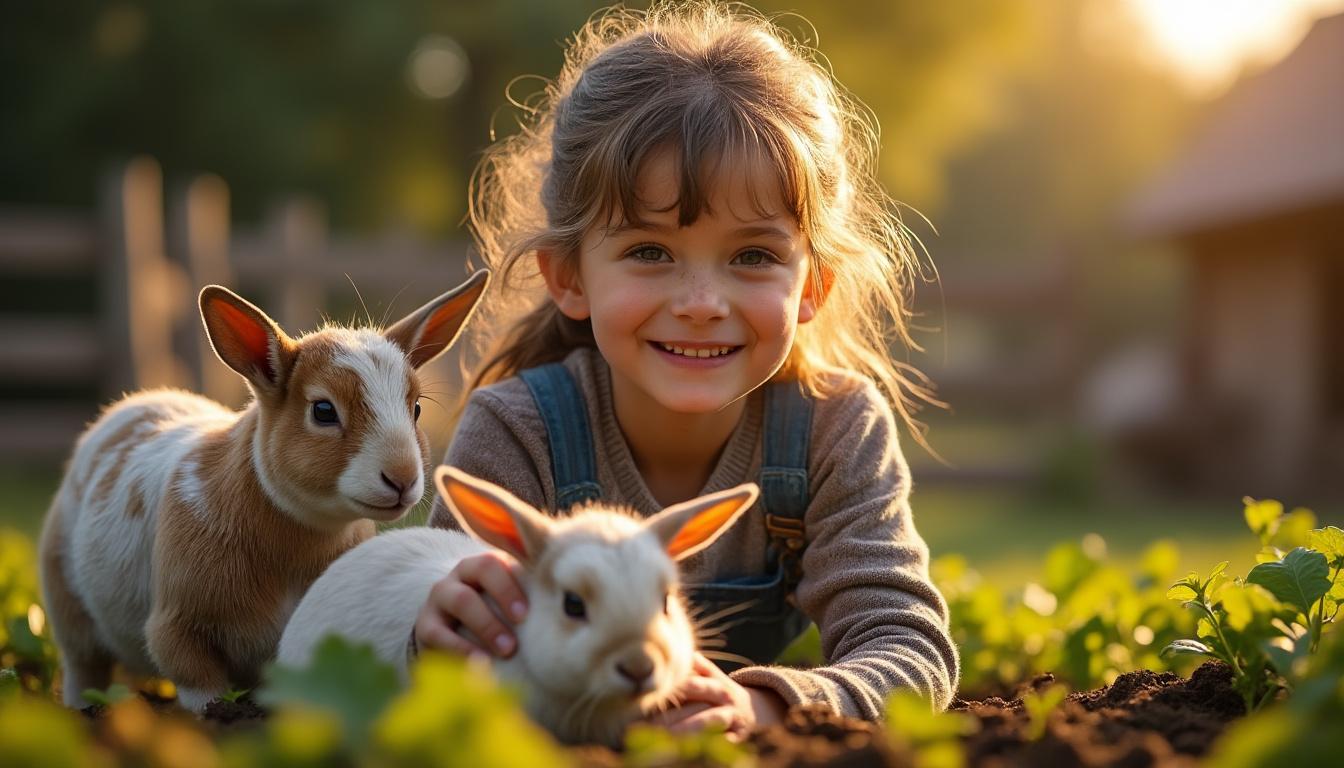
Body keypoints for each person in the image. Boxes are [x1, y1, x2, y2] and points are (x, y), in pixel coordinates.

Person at [412, 1, 959, 738]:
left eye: (753, 256)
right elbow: (453, 646)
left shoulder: (834, 428)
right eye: (649, 251)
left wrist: (765, 705)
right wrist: (433, 634)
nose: (702, 303)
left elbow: (907, 645)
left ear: (814, 287)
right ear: (568, 276)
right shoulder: (519, 431)